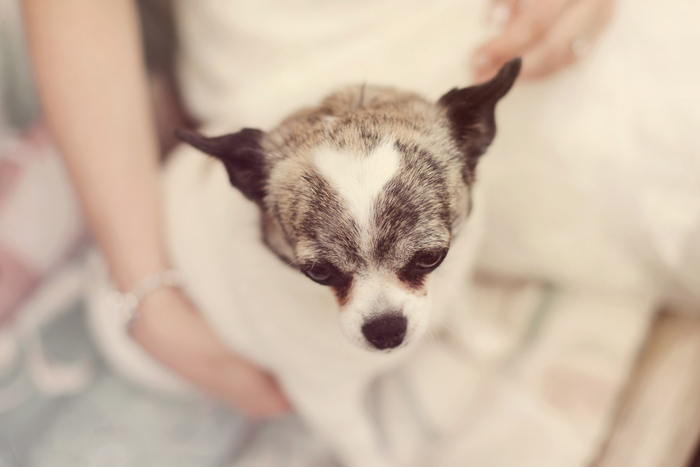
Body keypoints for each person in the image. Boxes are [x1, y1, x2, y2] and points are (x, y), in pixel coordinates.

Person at [21, 0, 615, 417]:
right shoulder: (272, 191)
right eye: (326, 271)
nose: (381, 309)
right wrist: (145, 290)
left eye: (425, 256)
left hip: (492, 45)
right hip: (270, 68)